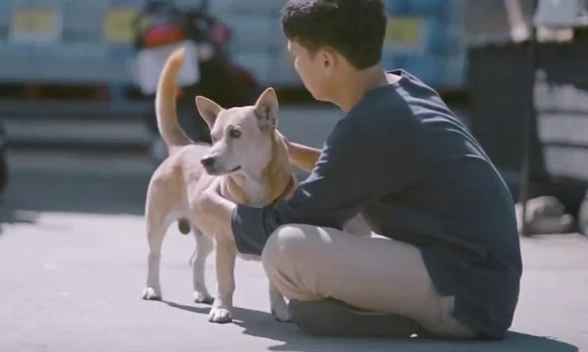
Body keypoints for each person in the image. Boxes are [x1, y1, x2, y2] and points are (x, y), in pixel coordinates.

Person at [198, 0, 522, 340]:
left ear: (325, 61)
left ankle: (403, 317)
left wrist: (212, 205)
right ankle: (385, 309)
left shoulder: (370, 127)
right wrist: (290, 152)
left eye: (297, 55)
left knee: (286, 246)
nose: (295, 65)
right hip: (483, 283)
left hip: (465, 296)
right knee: (339, 232)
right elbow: (346, 172)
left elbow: (287, 221)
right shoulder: (403, 90)